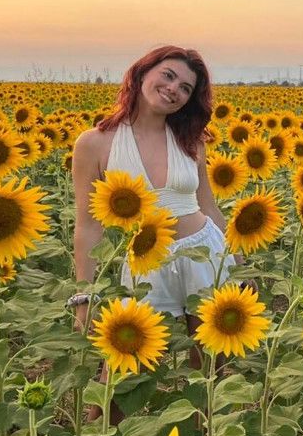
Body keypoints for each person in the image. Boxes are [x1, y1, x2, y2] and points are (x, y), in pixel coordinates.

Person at [71, 46, 232, 332]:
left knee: (210, 361)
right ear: (143, 71)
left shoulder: (190, 142)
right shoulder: (94, 143)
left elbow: (207, 207)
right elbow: (88, 226)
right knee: (126, 363)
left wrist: (238, 264)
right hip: (145, 261)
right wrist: (86, 296)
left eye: (185, 88)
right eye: (168, 76)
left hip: (205, 252)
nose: (173, 89)